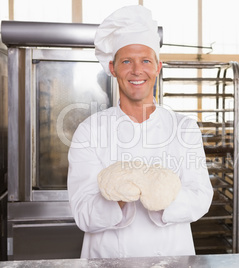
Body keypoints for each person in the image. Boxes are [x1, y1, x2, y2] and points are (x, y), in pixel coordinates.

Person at [67, 5, 213, 259]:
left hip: (171, 258)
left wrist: (157, 197)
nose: (136, 70)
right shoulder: (89, 131)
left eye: (145, 60)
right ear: (113, 69)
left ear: (158, 67)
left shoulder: (184, 128)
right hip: (108, 260)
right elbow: (83, 213)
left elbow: (201, 197)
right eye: (126, 61)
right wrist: (123, 196)